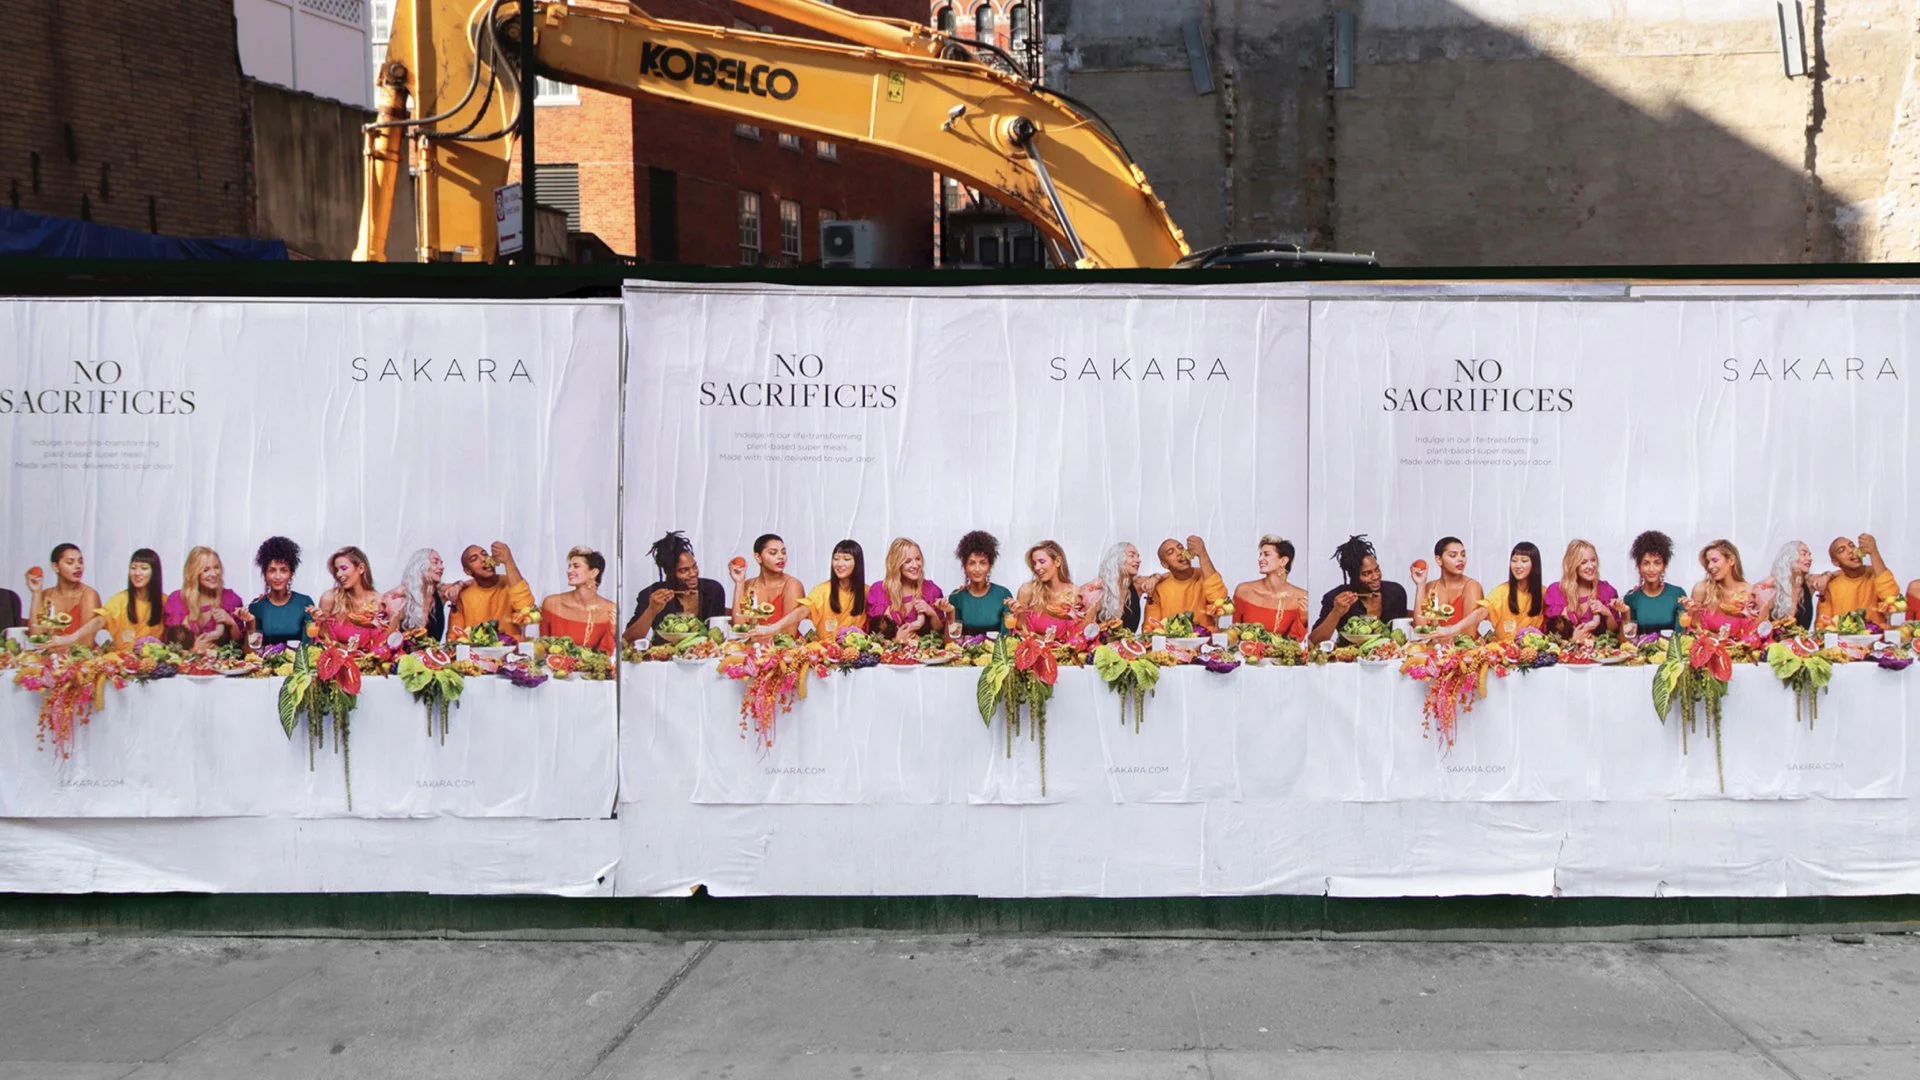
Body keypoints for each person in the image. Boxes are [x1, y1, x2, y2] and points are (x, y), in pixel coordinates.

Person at [624, 531, 728, 646]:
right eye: (684, 570)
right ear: (669, 572)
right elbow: (627, 640)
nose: (693, 573)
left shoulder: (713, 590)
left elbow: (720, 632)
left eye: (694, 567)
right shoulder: (652, 594)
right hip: (665, 659)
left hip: (707, 656)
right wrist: (651, 610)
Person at [1309, 535, 1411, 645]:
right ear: (1353, 575)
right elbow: (1314, 642)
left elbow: (1405, 619)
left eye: (1377, 570)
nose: (1376, 576)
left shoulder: (1395, 592)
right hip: (1349, 659)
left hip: (1391, 657)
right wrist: (1336, 612)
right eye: (1367, 573)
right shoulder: (1336, 598)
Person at [164, 545, 251, 652]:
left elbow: (240, 646)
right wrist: (194, 650)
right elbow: (169, 646)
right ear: (194, 573)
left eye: (216, 567)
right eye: (206, 570)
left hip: (222, 666)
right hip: (185, 666)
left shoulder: (231, 599)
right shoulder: (176, 600)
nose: (213, 574)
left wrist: (231, 622)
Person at [447, 542, 536, 639]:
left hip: (511, 650)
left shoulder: (511, 582)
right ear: (468, 571)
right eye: (474, 559)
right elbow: (454, 637)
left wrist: (508, 561)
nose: (483, 559)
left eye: (485, 554)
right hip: (477, 652)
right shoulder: (463, 595)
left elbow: (526, 609)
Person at [539, 546, 619, 654]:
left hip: (592, 669)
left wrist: (614, 632)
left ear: (593, 573)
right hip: (556, 669)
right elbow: (542, 648)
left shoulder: (610, 609)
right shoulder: (552, 603)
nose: (569, 571)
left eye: (576, 566)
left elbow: (605, 655)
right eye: (569, 566)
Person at [865, 537, 945, 642]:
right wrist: (897, 641)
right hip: (887, 656)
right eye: (907, 561)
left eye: (918, 559)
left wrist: (931, 613)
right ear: (896, 564)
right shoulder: (878, 590)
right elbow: (873, 635)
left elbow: (941, 633)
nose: (915, 565)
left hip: (923, 655)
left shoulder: (932, 590)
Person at [25, 543, 105, 648]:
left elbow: (86, 643)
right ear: (55, 567)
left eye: (80, 562)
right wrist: (36, 593)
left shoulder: (89, 595)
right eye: (70, 562)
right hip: (49, 660)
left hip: (80, 660)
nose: (78, 566)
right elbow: (36, 638)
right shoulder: (46, 595)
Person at [1144, 535, 1229, 632]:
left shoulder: (1206, 574)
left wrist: (1202, 553)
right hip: (1171, 644)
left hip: (1205, 642)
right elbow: (1149, 628)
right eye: (1171, 552)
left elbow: (1220, 601)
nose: (1179, 552)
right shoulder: (1159, 586)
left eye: (1181, 548)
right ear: (1164, 564)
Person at [731, 533, 807, 639]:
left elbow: (788, 634)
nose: (781, 557)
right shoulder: (749, 585)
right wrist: (739, 583)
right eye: (773, 553)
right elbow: (739, 628)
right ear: (758, 557)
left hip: (783, 650)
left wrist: (756, 641)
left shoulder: (793, 585)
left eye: (783, 552)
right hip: (752, 649)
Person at [1232, 535, 1309, 640]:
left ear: (1283, 561)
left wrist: (1304, 619)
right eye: (1260, 555)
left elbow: (1293, 643)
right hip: (1246, 654)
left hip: (1279, 655)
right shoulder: (1244, 591)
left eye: (1266, 555)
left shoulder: (1302, 597)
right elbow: (1234, 634)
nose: (1260, 559)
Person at [939, 530, 1012, 638]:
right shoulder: (956, 597)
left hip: (996, 652)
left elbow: (1007, 638)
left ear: (990, 566)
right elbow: (951, 643)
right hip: (965, 653)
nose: (977, 569)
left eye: (983, 563)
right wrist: (950, 613)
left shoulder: (1003, 594)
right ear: (964, 566)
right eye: (972, 563)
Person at [1616, 530, 1688, 637]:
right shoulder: (1631, 598)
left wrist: (1690, 612)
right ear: (1639, 567)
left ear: (1664, 566)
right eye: (1646, 563)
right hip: (1641, 652)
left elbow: (1681, 636)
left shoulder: (1677, 594)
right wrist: (1625, 613)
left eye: (1657, 563)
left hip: (1671, 651)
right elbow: (1626, 642)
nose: (1651, 569)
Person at [1818, 534, 1900, 627]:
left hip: (1877, 638)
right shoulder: (1831, 585)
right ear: (1836, 562)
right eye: (1842, 550)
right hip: (1843, 640)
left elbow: (1892, 599)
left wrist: (1873, 552)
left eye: (1852, 545)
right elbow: (1822, 625)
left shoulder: (1876, 572)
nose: (1850, 550)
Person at [1544, 539, 1618, 641]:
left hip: (1599, 654)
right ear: (1573, 565)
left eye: (1593, 560)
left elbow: (1615, 633)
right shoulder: (1555, 592)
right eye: (1583, 562)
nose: (1591, 566)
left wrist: (1607, 613)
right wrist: (1573, 640)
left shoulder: (1606, 590)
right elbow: (1550, 635)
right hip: (1567, 654)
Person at [1080, 542, 1162, 635]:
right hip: (1098, 648)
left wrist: (1155, 578)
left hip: (1128, 647)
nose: (1138, 560)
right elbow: (1081, 625)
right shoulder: (1098, 586)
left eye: (1138, 556)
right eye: (1132, 556)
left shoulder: (1136, 585)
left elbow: (1168, 575)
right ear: (1117, 559)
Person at [1009, 540, 1087, 637]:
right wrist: (1020, 613)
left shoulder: (1076, 593)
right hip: (1033, 650)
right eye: (1034, 563)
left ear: (1057, 561)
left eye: (1042, 561)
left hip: (1066, 651)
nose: (1037, 567)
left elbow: (1081, 635)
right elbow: (1019, 632)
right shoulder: (1027, 591)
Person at [1473, 542, 1546, 644]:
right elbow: (1482, 611)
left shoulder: (1544, 593)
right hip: (1502, 651)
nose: (1517, 566)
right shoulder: (1501, 591)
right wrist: (1454, 629)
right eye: (1514, 561)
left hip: (1533, 653)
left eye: (1524, 561)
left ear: (1535, 564)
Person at [1409, 536, 1483, 636]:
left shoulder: (1472, 587)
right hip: (1434, 648)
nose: (1461, 559)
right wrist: (1421, 585)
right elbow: (1421, 630)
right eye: (1453, 555)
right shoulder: (1431, 587)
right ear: (1439, 560)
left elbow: (1469, 633)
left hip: (1466, 649)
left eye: (1463, 555)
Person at [247, 537, 314, 647]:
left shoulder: (305, 602)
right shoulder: (256, 606)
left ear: (291, 574)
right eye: (272, 570)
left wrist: (319, 622)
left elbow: (309, 646)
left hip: (298, 662)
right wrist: (250, 623)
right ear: (265, 575)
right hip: (265, 662)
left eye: (283, 570)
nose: (278, 576)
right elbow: (252, 651)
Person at [315, 545, 386, 648]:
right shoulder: (329, 598)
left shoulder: (378, 601)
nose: (339, 574)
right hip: (335, 660)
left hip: (370, 662)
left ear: (361, 568)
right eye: (336, 570)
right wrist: (320, 621)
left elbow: (383, 644)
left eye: (343, 568)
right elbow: (321, 640)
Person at [1687, 539, 1759, 636]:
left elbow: (1753, 633)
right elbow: (1693, 630)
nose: (1710, 566)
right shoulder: (1701, 589)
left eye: (1715, 560)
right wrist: (1693, 611)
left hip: (1739, 649)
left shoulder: (1748, 591)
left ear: (1731, 560)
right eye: (1708, 562)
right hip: (1708, 648)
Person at [100, 548, 167, 649]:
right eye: (133, 568)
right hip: (121, 660)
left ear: (154, 572)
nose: (137, 573)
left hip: (153, 662)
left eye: (144, 568)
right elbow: (100, 620)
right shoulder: (120, 599)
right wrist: (74, 637)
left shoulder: (164, 601)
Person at [804, 539, 870, 640]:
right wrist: (777, 626)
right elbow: (802, 610)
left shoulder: (866, 591)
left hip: (856, 651)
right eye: (836, 559)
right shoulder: (822, 590)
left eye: (846, 559)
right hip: (825, 650)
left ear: (857, 563)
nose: (839, 564)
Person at [1753, 540, 1825, 631]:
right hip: (1774, 644)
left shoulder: (1808, 583)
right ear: (1789, 557)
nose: (1810, 558)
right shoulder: (1772, 586)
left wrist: (1827, 575)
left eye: (1809, 555)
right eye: (1804, 554)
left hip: (1801, 643)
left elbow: (1840, 572)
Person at [383, 548, 447, 641]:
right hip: (403, 654)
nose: (441, 567)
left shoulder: (441, 593)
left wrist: (459, 585)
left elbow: (470, 582)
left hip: (432, 654)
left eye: (441, 563)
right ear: (420, 565)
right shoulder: (402, 594)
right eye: (435, 562)